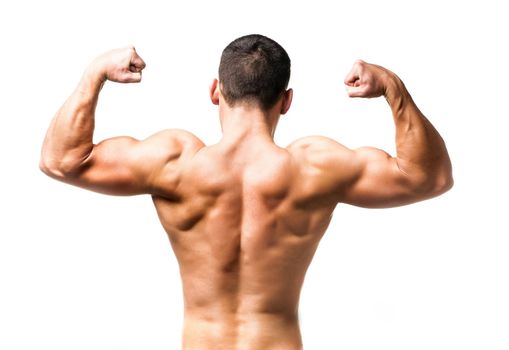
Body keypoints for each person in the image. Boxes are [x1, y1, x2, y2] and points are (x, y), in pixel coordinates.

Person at [40, 34, 453, 349]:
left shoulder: (175, 164)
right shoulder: (314, 167)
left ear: (216, 91)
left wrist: (94, 74)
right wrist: (393, 90)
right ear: (286, 101)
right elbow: (429, 178)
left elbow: (61, 160)